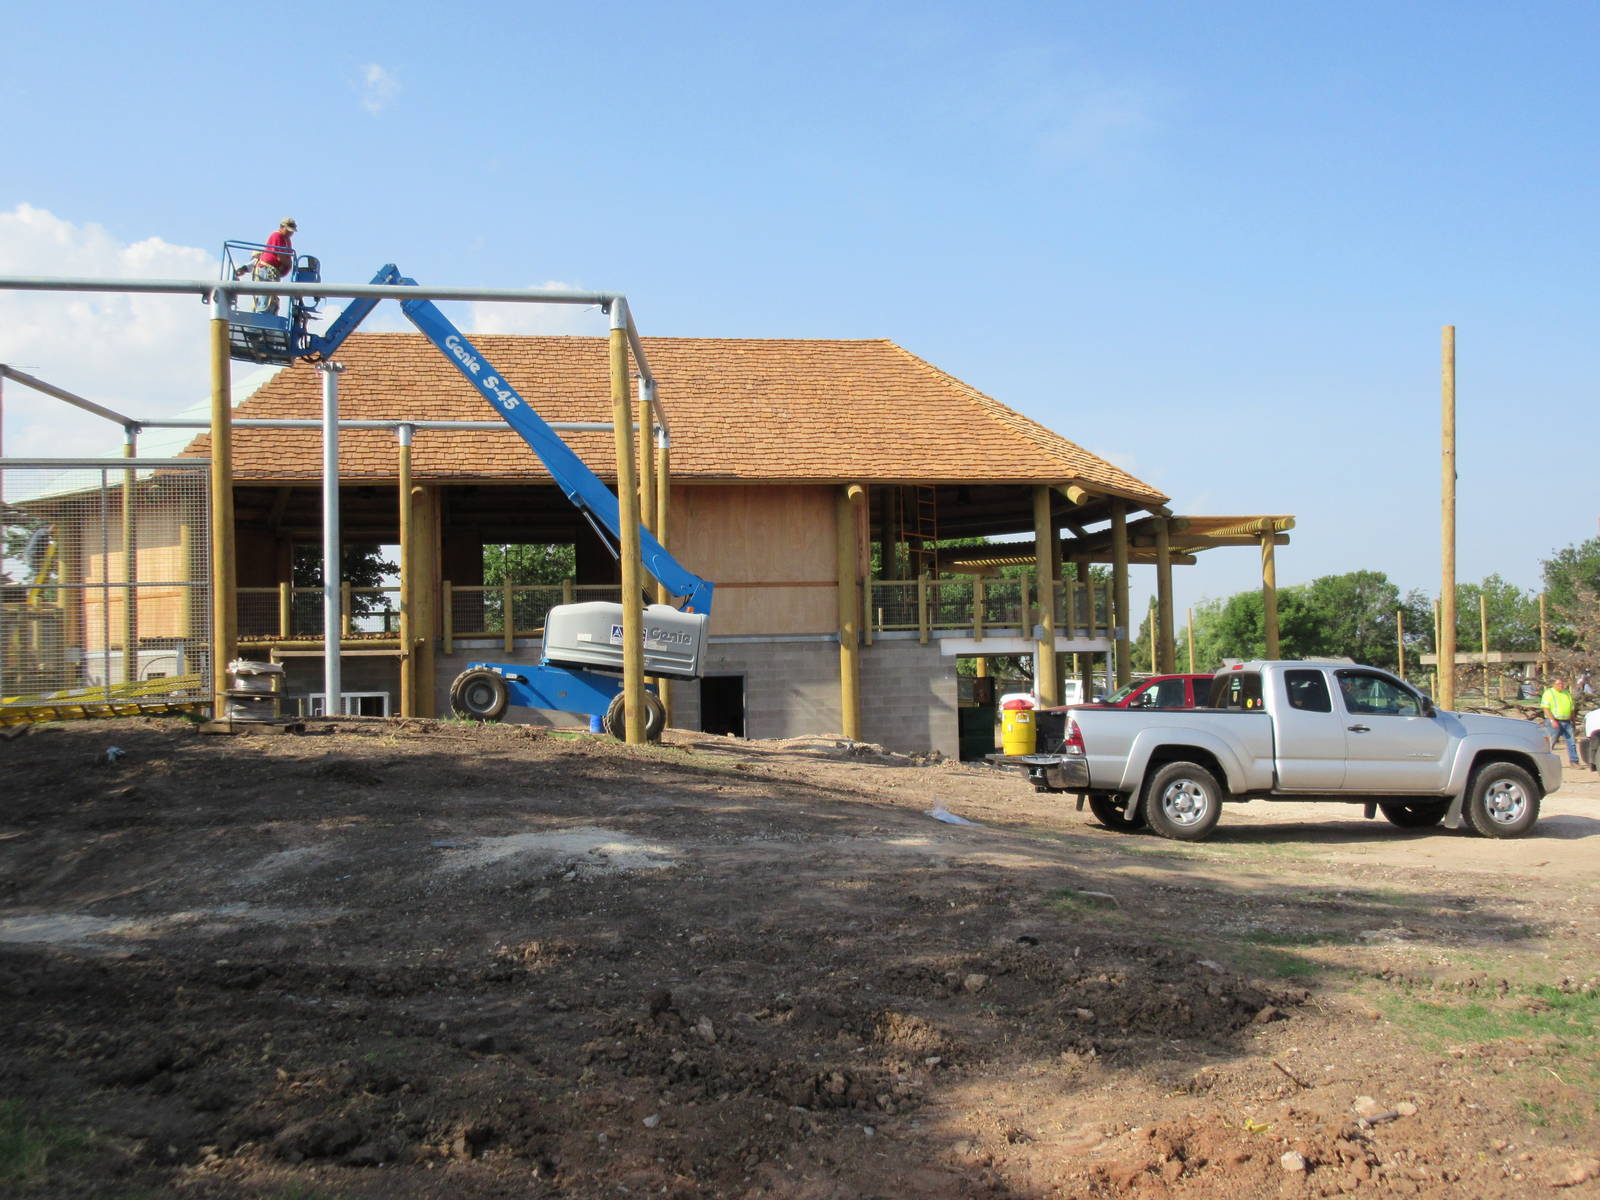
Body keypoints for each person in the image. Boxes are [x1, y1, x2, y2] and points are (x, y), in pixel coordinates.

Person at [242, 218, 297, 314]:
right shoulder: (277, 235)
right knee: (265, 298)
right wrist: (289, 264)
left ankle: (266, 315)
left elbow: (286, 258)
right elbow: (281, 257)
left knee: (270, 298)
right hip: (267, 270)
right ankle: (261, 316)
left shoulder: (287, 240)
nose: (290, 233)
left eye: (291, 232)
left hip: (274, 272)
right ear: (282, 227)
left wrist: (287, 264)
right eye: (288, 231)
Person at [1540, 675, 1579, 767]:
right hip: (1554, 722)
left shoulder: (1567, 693)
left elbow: (1571, 709)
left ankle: (1574, 761)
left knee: (1571, 742)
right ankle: (1545, 761)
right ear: (1553, 685)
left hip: (1566, 721)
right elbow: (1546, 708)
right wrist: (1552, 720)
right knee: (1551, 742)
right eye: (1558, 684)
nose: (1561, 685)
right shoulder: (1549, 693)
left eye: (1562, 683)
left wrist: (1573, 722)